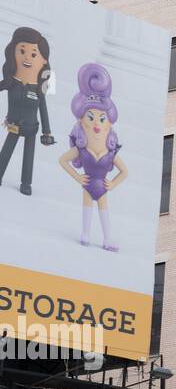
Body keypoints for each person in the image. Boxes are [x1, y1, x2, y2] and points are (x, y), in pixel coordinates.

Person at [58, 63, 128, 252]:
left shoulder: (111, 153)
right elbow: (62, 160)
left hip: (102, 186)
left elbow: (125, 171)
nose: (97, 123)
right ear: (81, 122)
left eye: (102, 119)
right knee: (87, 208)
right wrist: (78, 177)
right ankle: (86, 234)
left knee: (104, 211)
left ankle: (107, 238)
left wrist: (112, 184)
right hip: (88, 185)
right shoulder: (81, 150)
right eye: (91, 118)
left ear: (109, 125)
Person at [0, 26, 56, 195]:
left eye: (33, 54)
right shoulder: (11, 82)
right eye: (22, 51)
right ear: (13, 53)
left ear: (44, 61)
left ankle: (26, 183)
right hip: (14, 125)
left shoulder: (40, 89)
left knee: (29, 156)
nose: (27, 58)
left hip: (32, 128)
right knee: (6, 150)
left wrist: (47, 132)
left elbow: (44, 110)